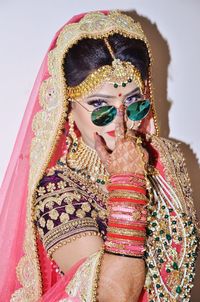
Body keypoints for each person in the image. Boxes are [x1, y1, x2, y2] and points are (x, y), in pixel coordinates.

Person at [0, 10, 199, 302]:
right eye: (100, 106)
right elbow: (114, 296)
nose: (120, 122)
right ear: (67, 107)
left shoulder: (163, 158)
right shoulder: (57, 194)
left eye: (133, 103)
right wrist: (128, 182)